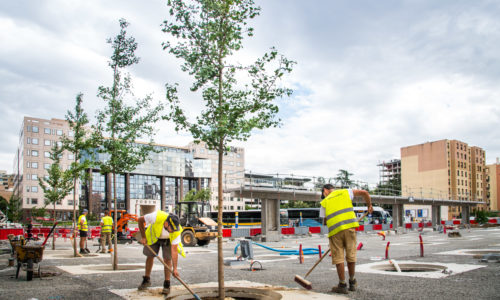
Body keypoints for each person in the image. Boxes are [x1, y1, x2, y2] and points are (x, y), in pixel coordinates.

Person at [320, 184, 373, 294]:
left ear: (325, 190)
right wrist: (369, 206)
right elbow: (365, 193)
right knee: (351, 255)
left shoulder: (324, 202)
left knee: (338, 258)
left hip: (335, 232)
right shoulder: (346, 192)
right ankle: (352, 282)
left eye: (323, 194)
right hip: (349, 228)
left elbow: (325, 221)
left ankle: (342, 284)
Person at [137, 211, 185, 295]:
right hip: (154, 235)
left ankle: (167, 284)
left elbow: (174, 251)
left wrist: (175, 269)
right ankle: (146, 280)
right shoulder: (156, 216)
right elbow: (140, 220)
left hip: (168, 240)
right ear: (166, 223)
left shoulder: (176, 231)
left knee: (167, 259)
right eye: (171, 229)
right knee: (150, 256)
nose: (173, 231)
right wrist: (143, 237)